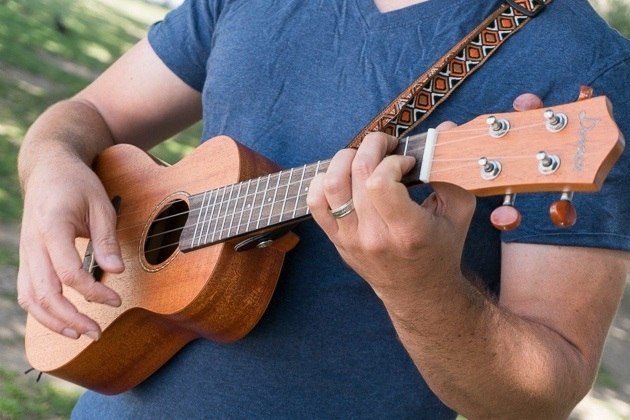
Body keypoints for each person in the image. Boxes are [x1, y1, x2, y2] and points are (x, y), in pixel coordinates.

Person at [16, 0, 630, 418]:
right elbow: (87, 117)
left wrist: (421, 289)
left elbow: (545, 391)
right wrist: (50, 165)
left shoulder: (579, 63)